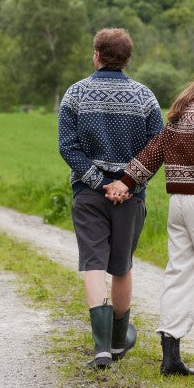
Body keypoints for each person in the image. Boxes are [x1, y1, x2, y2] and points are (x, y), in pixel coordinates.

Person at [105, 51, 194, 377]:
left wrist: (125, 182)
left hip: (178, 204)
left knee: (180, 274)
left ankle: (171, 356)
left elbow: (155, 151)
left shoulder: (184, 109)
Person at [58, 28, 164, 369]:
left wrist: (100, 182)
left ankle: (101, 347)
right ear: (128, 59)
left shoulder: (74, 94)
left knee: (94, 265)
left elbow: (67, 147)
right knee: (121, 267)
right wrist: (125, 185)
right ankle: (119, 342)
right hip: (130, 198)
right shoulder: (145, 98)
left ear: (97, 55)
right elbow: (156, 148)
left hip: (89, 194)